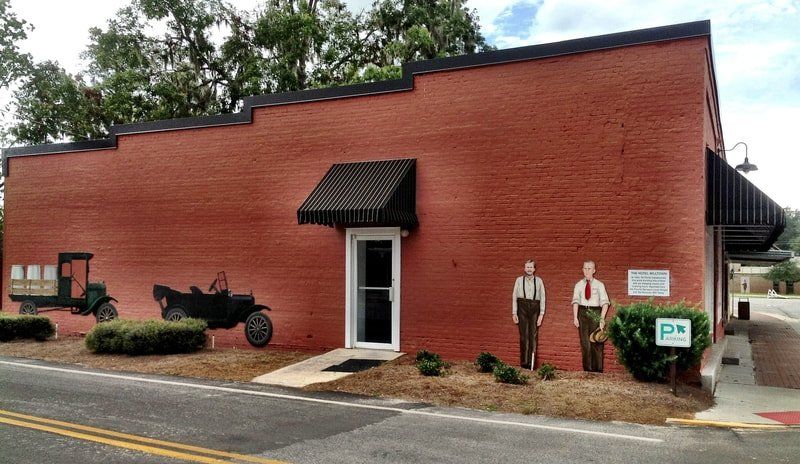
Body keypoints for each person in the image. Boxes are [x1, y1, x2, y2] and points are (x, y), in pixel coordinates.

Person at [572, 260, 610, 372]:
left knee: (597, 342)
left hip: (595, 313)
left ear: (594, 270)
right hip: (582, 313)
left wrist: (601, 318)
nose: (587, 271)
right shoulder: (578, 285)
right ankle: (587, 370)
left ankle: (598, 371)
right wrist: (575, 317)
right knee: (585, 343)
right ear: (582, 270)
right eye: (585, 268)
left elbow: (605, 303)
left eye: (589, 268)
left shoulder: (599, 285)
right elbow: (575, 302)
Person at [512, 259, 546, 370]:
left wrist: (541, 314)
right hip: (522, 306)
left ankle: (532, 364)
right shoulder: (519, 280)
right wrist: (514, 312)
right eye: (527, 267)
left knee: (533, 335)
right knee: (523, 336)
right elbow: (514, 297)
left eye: (531, 267)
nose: (529, 269)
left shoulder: (539, 281)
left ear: (534, 269)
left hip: (535, 307)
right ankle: (524, 363)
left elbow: (543, 298)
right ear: (524, 268)